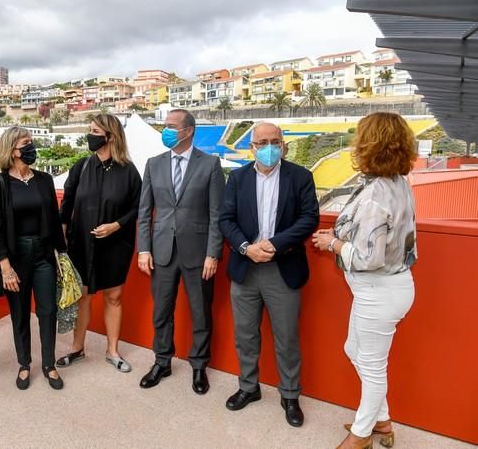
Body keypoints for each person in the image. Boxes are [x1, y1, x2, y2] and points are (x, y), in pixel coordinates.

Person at [312, 112, 417, 449]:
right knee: (353, 350)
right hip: (389, 287)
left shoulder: (376, 194)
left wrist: (334, 243)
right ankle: (381, 421)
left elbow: (369, 259)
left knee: (371, 367)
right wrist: (343, 235)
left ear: (370, 145)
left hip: (379, 290)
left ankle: (361, 435)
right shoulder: (397, 184)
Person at [218, 122, 319, 427]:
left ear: (284, 145)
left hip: (282, 267)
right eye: (263, 142)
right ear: (252, 147)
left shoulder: (300, 176)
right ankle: (248, 388)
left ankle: (290, 395)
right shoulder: (236, 178)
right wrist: (247, 247)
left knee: (286, 337)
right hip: (245, 267)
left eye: (275, 141)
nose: (269, 147)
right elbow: (226, 219)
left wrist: (273, 245)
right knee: (245, 335)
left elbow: (309, 218)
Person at [136, 109, 225, 394]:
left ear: (188, 131)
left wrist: (213, 253)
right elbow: (144, 212)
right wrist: (143, 249)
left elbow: (216, 214)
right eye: (165, 126)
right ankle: (162, 361)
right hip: (161, 251)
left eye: (171, 126)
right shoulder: (154, 164)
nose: (166, 130)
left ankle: (199, 366)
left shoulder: (210, 164)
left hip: (198, 254)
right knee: (161, 311)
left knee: (201, 313)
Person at [56, 113, 142, 373]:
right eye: (90, 129)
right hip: (80, 243)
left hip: (116, 245)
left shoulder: (129, 171)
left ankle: (112, 351)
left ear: (110, 136)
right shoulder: (81, 166)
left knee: (113, 296)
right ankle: (76, 348)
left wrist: (116, 225)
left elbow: (139, 206)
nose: (90, 135)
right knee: (83, 296)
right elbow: (66, 204)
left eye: (95, 130)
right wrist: (61, 243)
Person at [0, 126, 66, 390]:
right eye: (26, 144)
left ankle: (49, 364)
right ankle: (24, 364)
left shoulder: (43, 180)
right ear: (12, 150)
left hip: (44, 255)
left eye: (31, 143)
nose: (31, 148)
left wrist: (60, 256)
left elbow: (54, 220)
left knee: (48, 311)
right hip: (15, 258)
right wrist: (5, 266)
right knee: (19, 313)